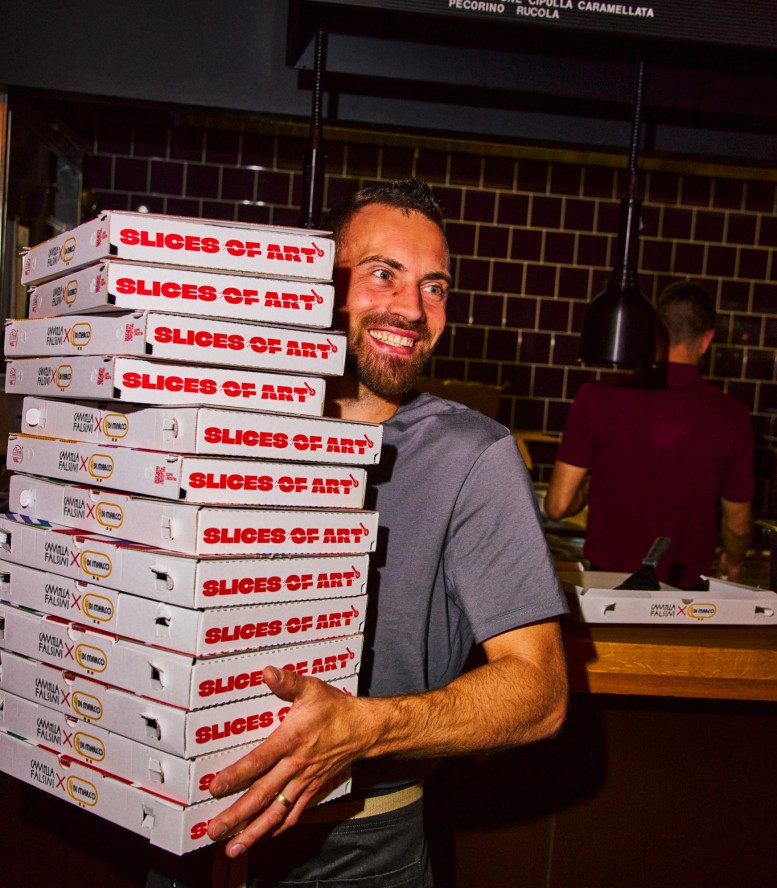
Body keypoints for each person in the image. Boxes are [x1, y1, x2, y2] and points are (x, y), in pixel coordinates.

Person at [198, 179, 569, 887]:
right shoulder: (227, 421)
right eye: (381, 274)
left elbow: (539, 692)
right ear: (320, 284)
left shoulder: (473, 455)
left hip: (358, 846)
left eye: (435, 287)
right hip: (193, 831)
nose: (410, 308)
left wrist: (364, 728)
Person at [545, 279, 755, 590]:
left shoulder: (596, 397)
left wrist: (596, 484)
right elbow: (737, 526)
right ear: (707, 339)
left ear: (653, 331)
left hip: (606, 588)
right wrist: (734, 562)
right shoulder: (732, 416)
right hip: (686, 596)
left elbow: (557, 506)